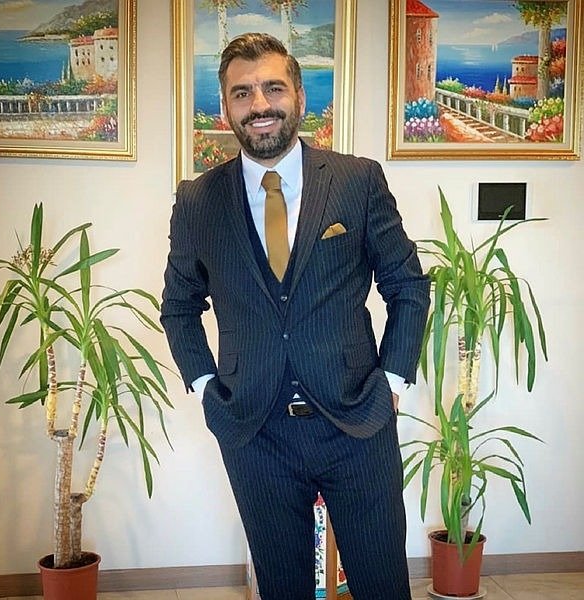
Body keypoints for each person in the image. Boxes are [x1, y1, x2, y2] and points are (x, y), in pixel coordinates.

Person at [161, 32, 430, 600]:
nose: (259, 104)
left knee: (383, 585)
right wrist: (207, 390)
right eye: (242, 93)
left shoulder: (357, 180)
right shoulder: (198, 200)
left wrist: (393, 382)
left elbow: (407, 284)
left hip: (357, 422)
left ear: (299, 97)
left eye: (273, 88)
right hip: (255, 432)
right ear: (226, 107)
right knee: (283, 588)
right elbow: (179, 307)